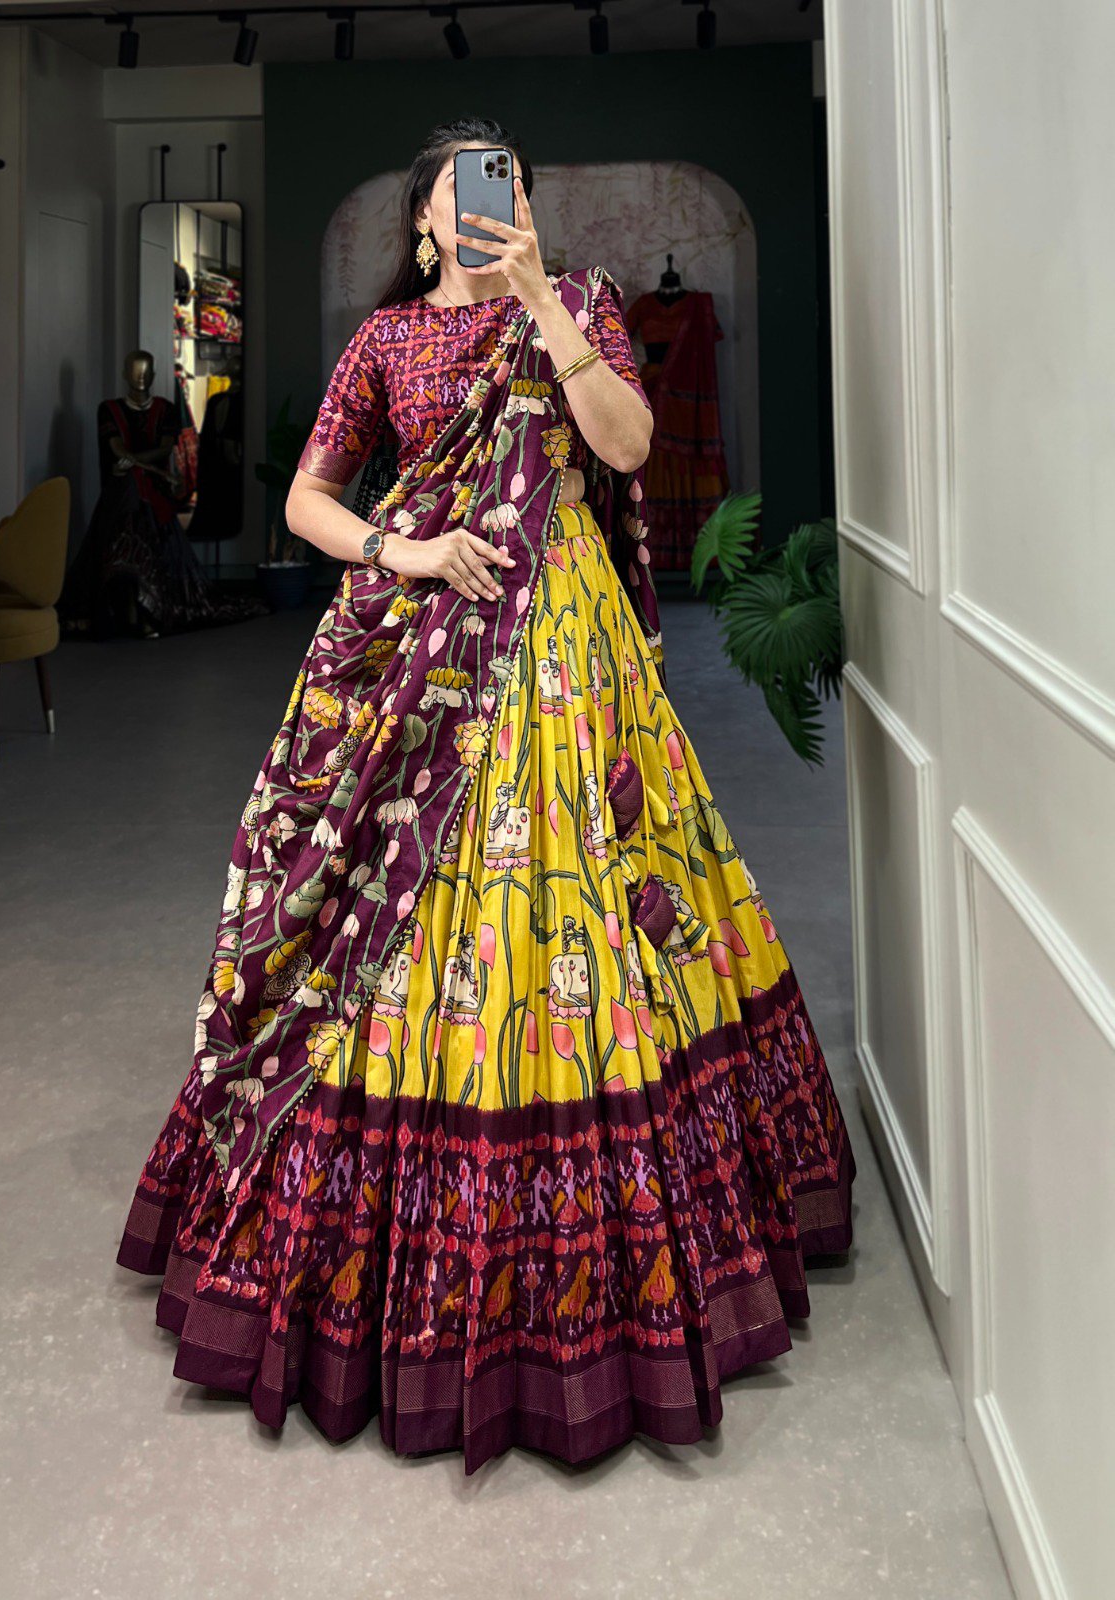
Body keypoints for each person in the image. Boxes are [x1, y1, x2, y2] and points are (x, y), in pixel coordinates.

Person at [115, 117, 857, 1475]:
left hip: (564, 649)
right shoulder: (386, 343)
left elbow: (628, 449)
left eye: (507, 181)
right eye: (466, 183)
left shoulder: (576, 303)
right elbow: (309, 503)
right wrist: (406, 549)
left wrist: (542, 306)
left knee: (574, 906)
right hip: (423, 642)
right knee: (391, 913)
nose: (489, 198)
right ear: (422, 219)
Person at [59, 350, 265, 639]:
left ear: (154, 374)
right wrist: (130, 463)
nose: (140, 377)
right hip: (123, 495)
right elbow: (115, 448)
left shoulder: (164, 409)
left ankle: (144, 608)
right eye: (135, 371)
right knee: (126, 508)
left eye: (146, 371)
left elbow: (164, 449)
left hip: (153, 494)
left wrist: (134, 461)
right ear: (125, 374)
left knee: (139, 505)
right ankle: (126, 607)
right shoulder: (109, 409)